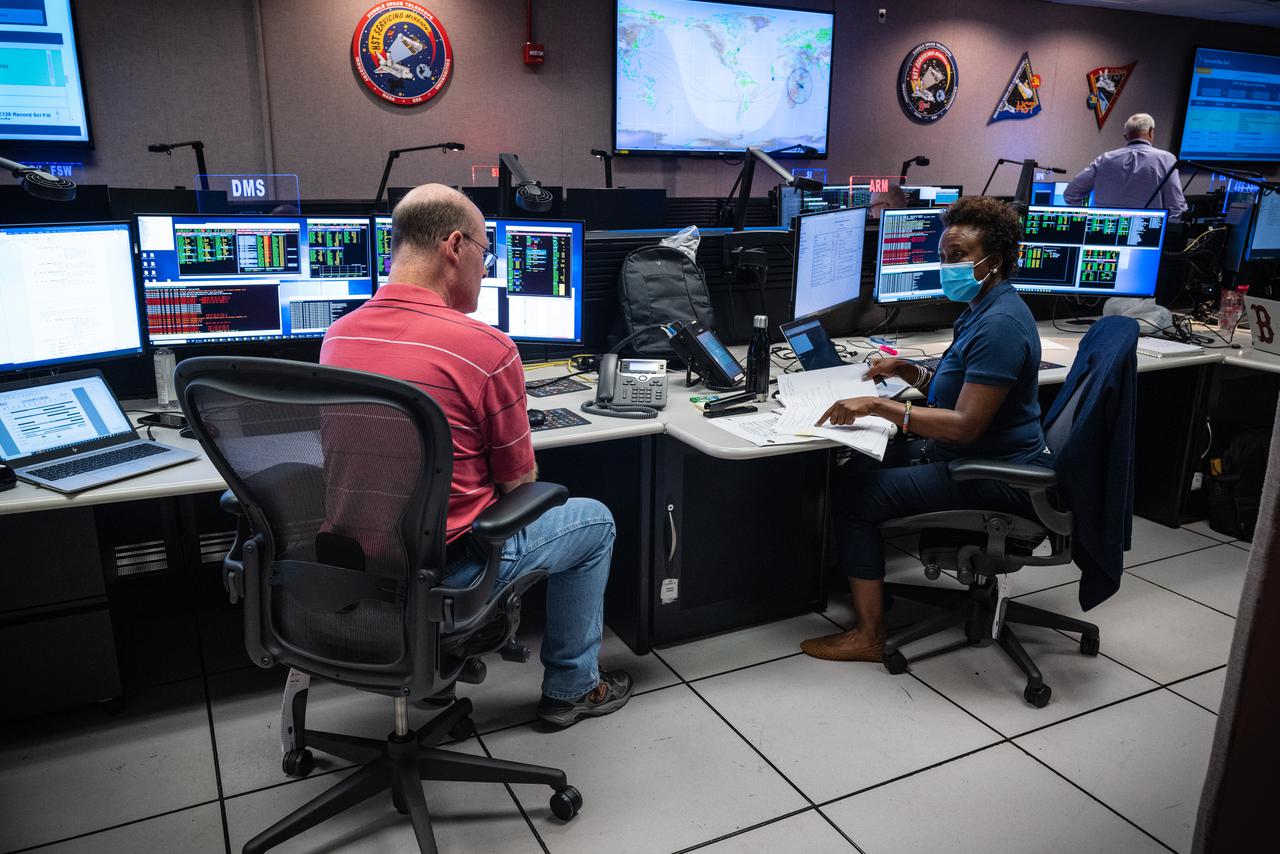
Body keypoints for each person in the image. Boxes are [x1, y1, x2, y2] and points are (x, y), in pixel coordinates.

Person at [320, 184, 632, 727]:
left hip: (361, 565)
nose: (486, 271)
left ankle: (437, 680)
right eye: (486, 254)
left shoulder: (337, 337)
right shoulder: (487, 347)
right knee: (596, 522)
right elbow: (518, 487)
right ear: (455, 246)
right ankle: (572, 688)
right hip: (453, 569)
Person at [801, 196, 1051, 662]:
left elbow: (964, 426)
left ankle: (870, 633)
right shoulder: (983, 306)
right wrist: (905, 370)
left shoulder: (999, 324)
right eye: (943, 255)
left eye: (957, 257)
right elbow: (954, 387)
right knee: (859, 465)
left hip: (993, 473)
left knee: (856, 499)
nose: (945, 266)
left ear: (992, 262)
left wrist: (880, 406)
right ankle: (863, 577)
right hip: (973, 457)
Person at [1064, 112, 1187, 219]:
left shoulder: (1104, 159)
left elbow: (1071, 194)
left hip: (1101, 233)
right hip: (1146, 235)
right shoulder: (1166, 160)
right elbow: (1177, 208)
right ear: (1151, 132)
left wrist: (1086, 219)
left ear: (1125, 136)